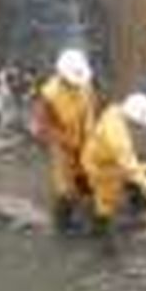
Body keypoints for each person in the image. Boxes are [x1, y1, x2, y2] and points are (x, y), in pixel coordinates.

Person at [80, 92, 146, 239]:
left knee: (136, 173)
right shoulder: (119, 139)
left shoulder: (116, 110)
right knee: (106, 202)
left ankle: (135, 201)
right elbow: (130, 168)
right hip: (102, 167)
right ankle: (100, 230)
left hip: (101, 155)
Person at [31, 49, 97, 232]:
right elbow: (41, 128)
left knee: (87, 173)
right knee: (65, 186)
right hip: (62, 144)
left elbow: (90, 108)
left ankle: (89, 208)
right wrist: (64, 141)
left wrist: (89, 136)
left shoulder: (85, 84)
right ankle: (62, 223)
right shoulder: (49, 95)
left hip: (83, 136)